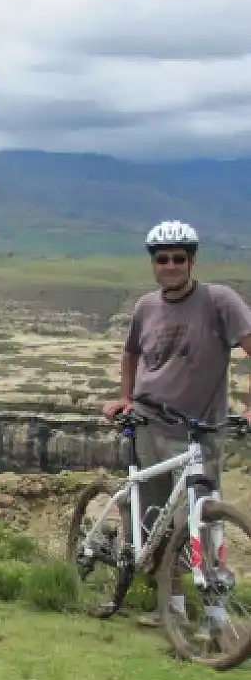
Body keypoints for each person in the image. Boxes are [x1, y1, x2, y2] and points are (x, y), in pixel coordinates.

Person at [103, 220, 251, 622]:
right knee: (155, 520)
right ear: (153, 262)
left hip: (199, 430)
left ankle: (216, 614)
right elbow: (131, 353)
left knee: (199, 520)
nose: (170, 265)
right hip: (150, 423)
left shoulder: (220, 301)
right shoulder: (146, 306)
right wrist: (126, 397)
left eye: (178, 258)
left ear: (192, 261)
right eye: (162, 258)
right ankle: (173, 610)